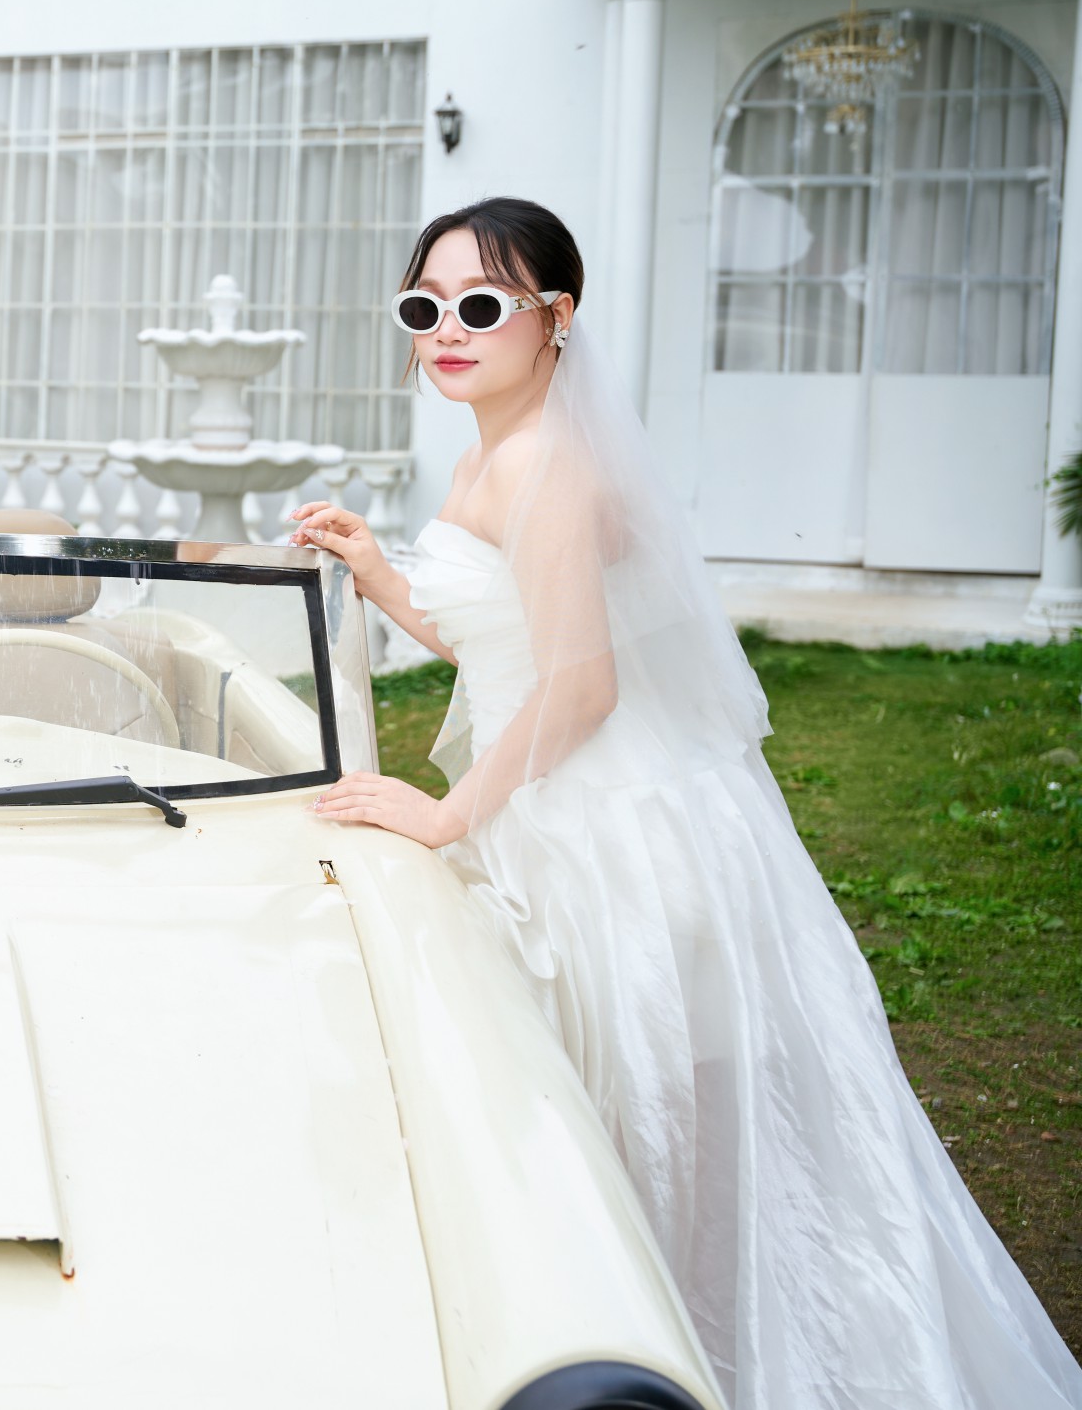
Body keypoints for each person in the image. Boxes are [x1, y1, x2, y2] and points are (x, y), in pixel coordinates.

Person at [292, 196, 1082, 1410]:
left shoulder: (546, 462)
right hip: (552, 797)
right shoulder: (488, 451)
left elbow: (582, 688)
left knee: (621, 1120)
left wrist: (447, 817)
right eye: (424, 306)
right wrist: (382, 572)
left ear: (555, 319)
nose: (447, 330)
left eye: (481, 305)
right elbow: (507, 648)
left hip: (607, 831)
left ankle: (667, 1351)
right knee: (574, 1111)